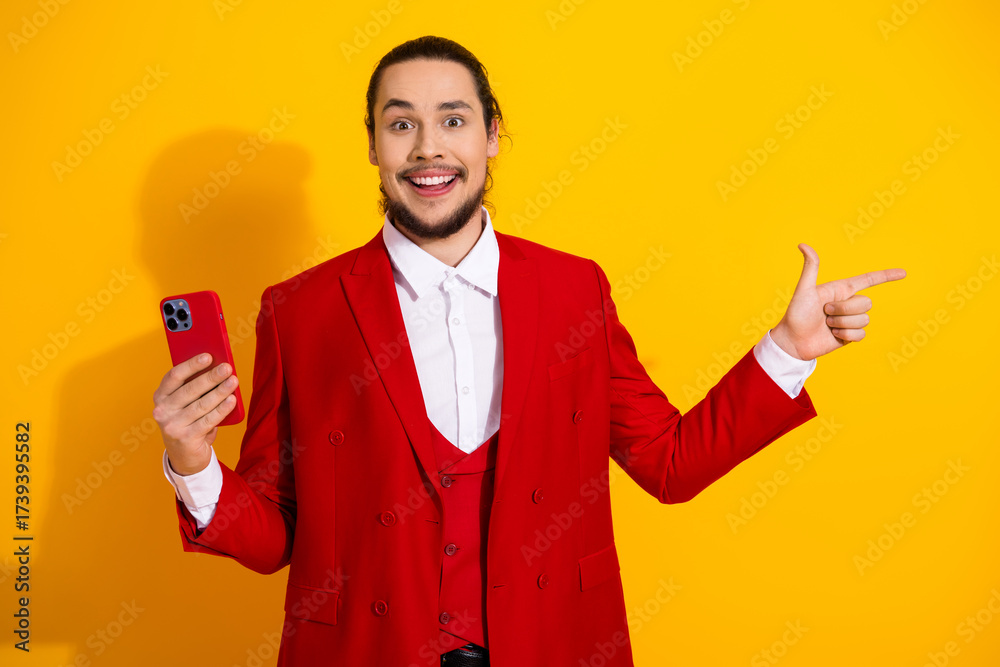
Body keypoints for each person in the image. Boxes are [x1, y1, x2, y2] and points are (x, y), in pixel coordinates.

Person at [153, 35, 905, 666]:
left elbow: (669, 462)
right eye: (401, 123)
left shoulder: (574, 290)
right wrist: (193, 462)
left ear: (491, 135)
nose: (428, 147)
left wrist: (788, 350)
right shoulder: (301, 310)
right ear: (373, 146)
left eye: (452, 120)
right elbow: (275, 534)